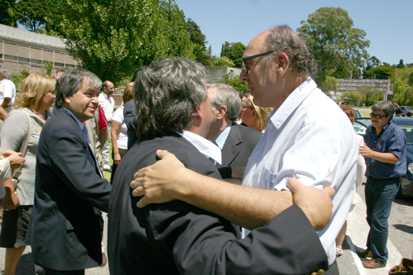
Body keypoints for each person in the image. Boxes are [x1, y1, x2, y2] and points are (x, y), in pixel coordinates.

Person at [131, 25, 358, 271]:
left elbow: (298, 212)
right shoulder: (289, 118)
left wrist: (184, 183)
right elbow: (262, 192)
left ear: (281, 62)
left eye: (248, 65)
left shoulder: (317, 119)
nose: (241, 76)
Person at [31, 69, 112, 274]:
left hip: (69, 239)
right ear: (67, 96)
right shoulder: (62, 129)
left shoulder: (74, 124)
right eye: (89, 94)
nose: (95, 100)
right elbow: (87, 183)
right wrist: (125, 203)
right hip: (59, 243)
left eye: (97, 94)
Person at [0, 73, 55, 275]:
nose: (54, 96)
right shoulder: (19, 117)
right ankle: (9, 273)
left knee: (40, 238)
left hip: (43, 192)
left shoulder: (49, 118)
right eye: (50, 92)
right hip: (22, 192)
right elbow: (4, 155)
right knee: (18, 240)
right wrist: (9, 191)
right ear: (38, 94)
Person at [359, 101, 406, 269]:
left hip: (388, 182)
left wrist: (371, 153)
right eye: (373, 115)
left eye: (379, 116)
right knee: (371, 217)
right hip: (372, 178)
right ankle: (371, 249)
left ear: (388, 117)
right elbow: (362, 151)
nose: (374, 119)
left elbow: (395, 157)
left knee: (379, 220)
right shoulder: (370, 131)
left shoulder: (396, 132)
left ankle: (380, 258)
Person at [208, 84, 261, 181]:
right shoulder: (190, 140)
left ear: (220, 112)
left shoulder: (256, 142)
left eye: (202, 105)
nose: (194, 111)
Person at [335, 104, 366, 257]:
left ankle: (334, 243)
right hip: (346, 185)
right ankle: (338, 245)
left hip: (331, 184)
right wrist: (356, 184)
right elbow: (361, 167)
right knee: (341, 215)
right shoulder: (358, 139)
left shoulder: (327, 135)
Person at [111, 82, 134, 180]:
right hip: (121, 149)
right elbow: (113, 133)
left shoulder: (138, 112)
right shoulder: (120, 112)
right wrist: (116, 153)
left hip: (132, 148)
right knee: (118, 177)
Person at [98, 80, 115, 171]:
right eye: (111, 88)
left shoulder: (111, 99)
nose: (113, 90)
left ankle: (106, 163)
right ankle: (102, 163)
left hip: (109, 124)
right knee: (101, 143)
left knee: (107, 144)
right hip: (101, 124)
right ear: (104, 88)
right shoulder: (99, 98)